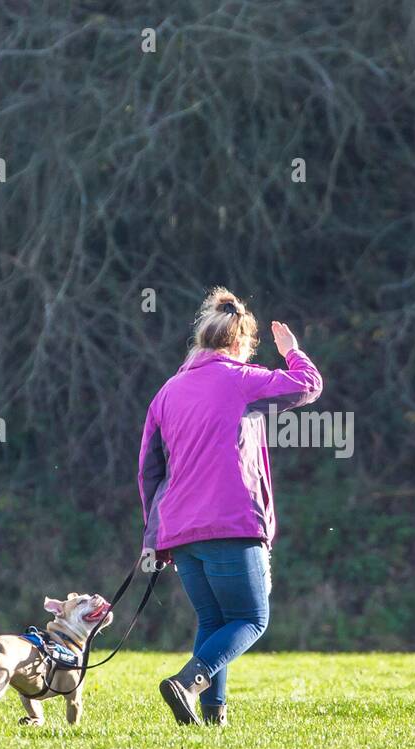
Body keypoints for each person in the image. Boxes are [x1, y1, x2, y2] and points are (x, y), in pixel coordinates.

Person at [137, 287, 323, 725]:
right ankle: (188, 681)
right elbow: (307, 387)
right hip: (231, 524)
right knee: (251, 619)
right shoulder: (242, 379)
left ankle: (212, 716)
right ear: (241, 344)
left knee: (214, 620)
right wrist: (293, 353)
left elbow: (150, 470)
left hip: (181, 531)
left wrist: (154, 535)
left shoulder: (168, 391)